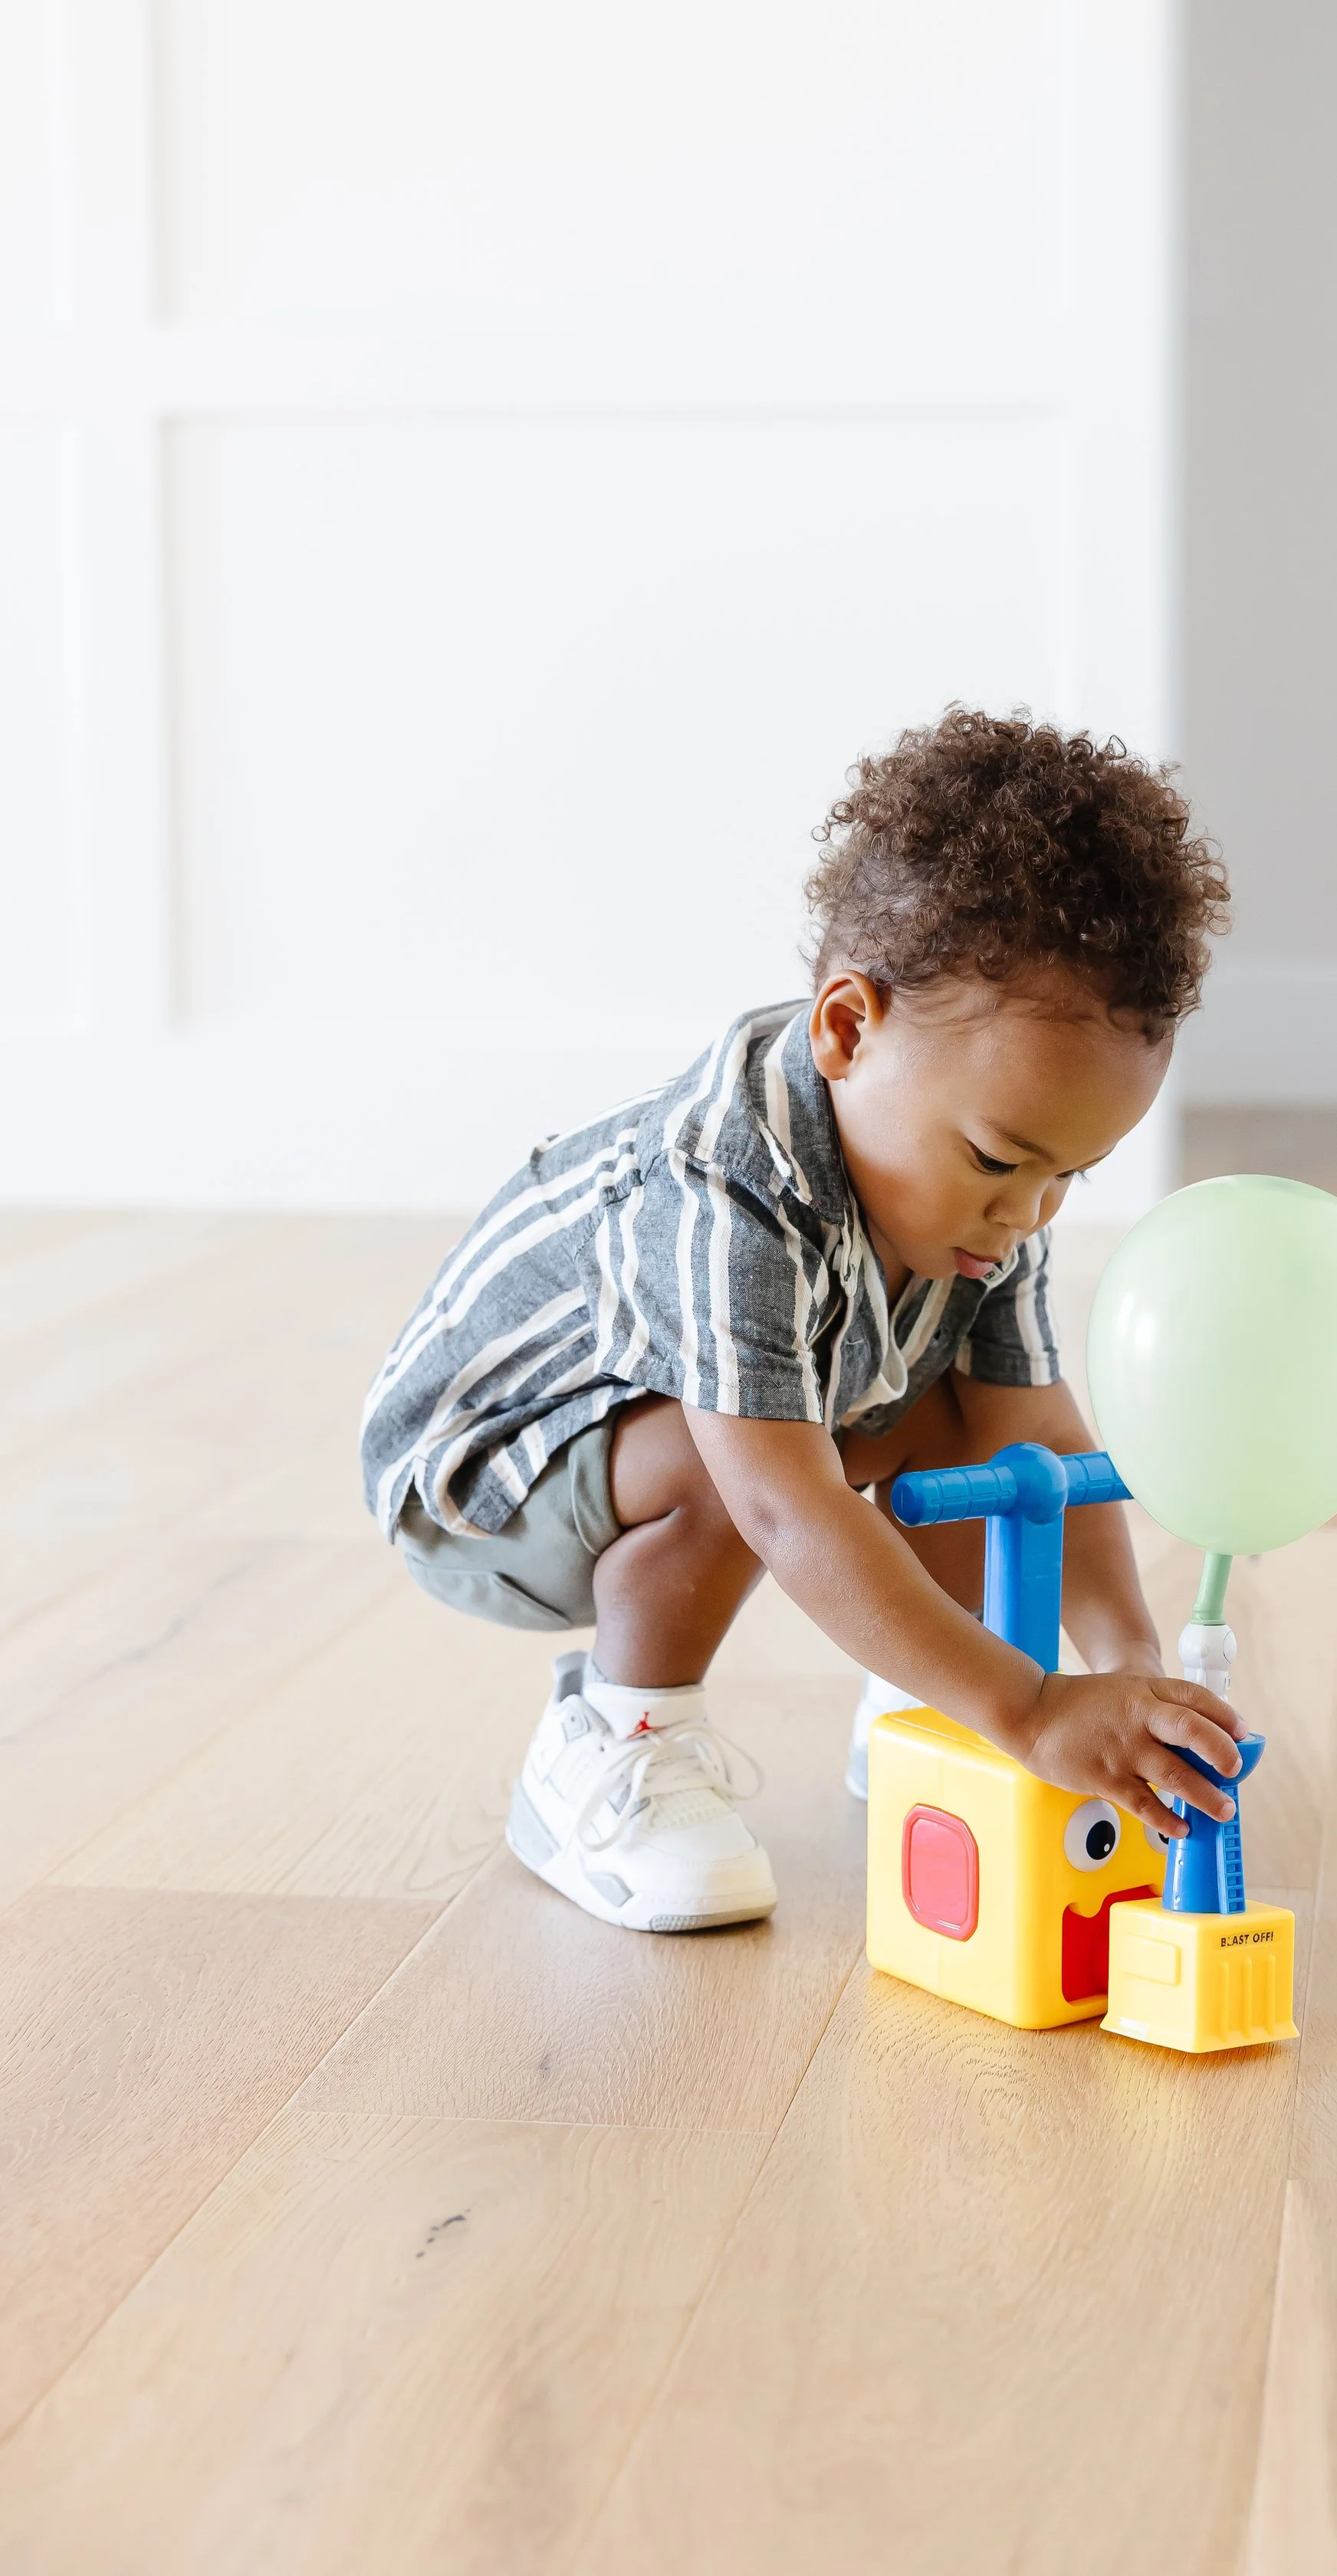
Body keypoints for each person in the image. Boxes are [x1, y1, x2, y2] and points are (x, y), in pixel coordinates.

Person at [360, 709, 1243, 1933]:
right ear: (845, 1028)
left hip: (754, 1433)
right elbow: (783, 1502)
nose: (1030, 1211)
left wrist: (1124, 1658)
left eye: (1068, 1179)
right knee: (736, 1457)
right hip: (486, 1482)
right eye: (1001, 1159)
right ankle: (616, 1745)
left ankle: (931, 1688)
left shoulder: (983, 1211)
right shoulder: (725, 1179)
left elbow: (1033, 1427)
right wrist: (1033, 1708)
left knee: (977, 1431)